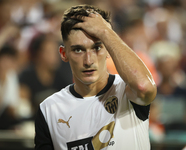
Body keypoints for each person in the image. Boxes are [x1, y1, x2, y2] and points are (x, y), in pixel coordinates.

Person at [34, 4, 157, 150]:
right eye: (78, 50)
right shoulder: (49, 109)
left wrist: (106, 32)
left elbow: (144, 86)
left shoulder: (127, 91)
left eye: (97, 47)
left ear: (109, 50)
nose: (88, 61)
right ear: (63, 53)